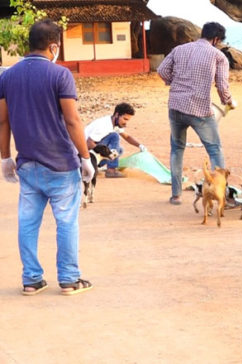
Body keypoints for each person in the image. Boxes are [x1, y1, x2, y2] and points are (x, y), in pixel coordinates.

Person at [0, 19, 94, 296]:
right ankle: (69, 278)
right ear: (53, 45)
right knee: (66, 221)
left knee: (27, 222)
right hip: (61, 164)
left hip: (27, 163)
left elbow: (2, 122)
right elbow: (72, 121)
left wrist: (5, 157)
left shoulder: (7, 76)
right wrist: (86, 158)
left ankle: (31, 280)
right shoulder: (60, 75)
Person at [157, 22, 236, 205]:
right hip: (200, 109)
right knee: (215, 150)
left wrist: (173, 83)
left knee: (177, 149)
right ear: (216, 39)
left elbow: (161, 70)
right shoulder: (218, 56)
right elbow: (222, 87)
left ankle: (176, 195)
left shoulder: (179, 49)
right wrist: (229, 102)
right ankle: (221, 193)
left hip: (175, 106)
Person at [84, 102, 147, 178]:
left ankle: (95, 166)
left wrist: (140, 145)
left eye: (128, 120)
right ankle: (111, 170)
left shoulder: (114, 123)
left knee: (119, 150)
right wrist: (106, 153)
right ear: (117, 115)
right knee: (114, 136)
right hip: (83, 155)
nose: (126, 123)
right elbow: (89, 143)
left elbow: (127, 137)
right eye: (125, 119)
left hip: (90, 155)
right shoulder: (104, 125)